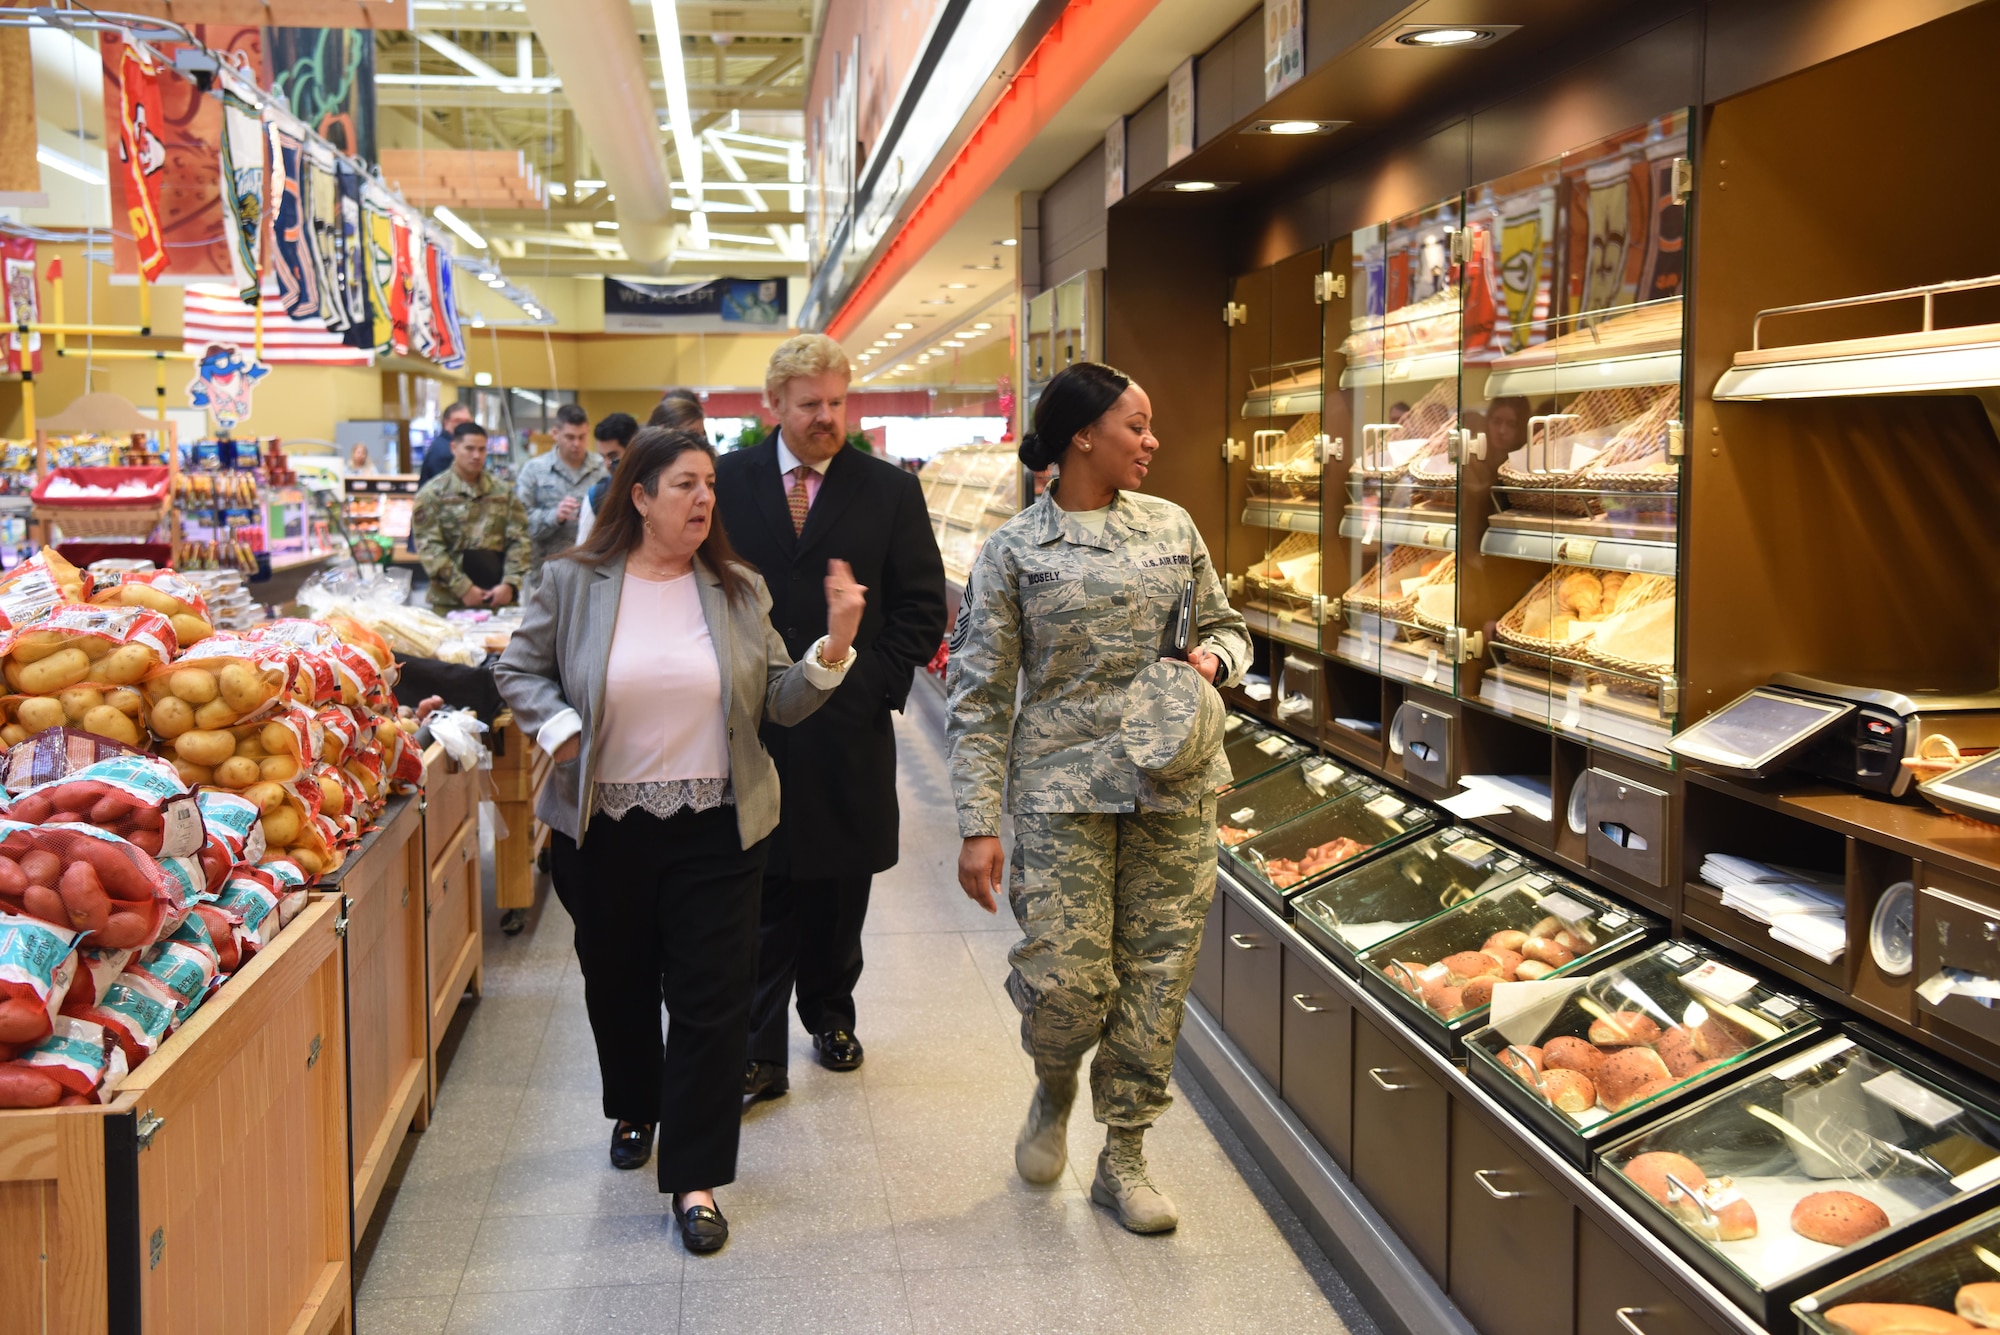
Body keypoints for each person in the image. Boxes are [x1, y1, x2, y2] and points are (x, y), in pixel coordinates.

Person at [494, 427, 867, 1255]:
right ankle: (635, 1102)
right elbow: (518, 669)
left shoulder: (737, 588)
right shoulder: (573, 581)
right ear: (639, 495)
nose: (703, 499)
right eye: (684, 485)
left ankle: (696, 1178)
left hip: (717, 827)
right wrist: (559, 729)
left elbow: (779, 699)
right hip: (604, 826)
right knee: (618, 982)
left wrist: (835, 646)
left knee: (712, 998)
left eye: (708, 485)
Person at [945, 361, 1250, 1235]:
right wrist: (977, 823)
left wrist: (1214, 662)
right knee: (1070, 980)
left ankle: (1124, 1156)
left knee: (1157, 976)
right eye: (1136, 425)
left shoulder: (1171, 526)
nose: (1152, 441)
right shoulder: (1013, 553)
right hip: (1061, 789)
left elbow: (1228, 628)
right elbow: (980, 694)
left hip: (1174, 785)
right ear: (1082, 435)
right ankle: (1052, 1082)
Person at [714, 334, 946, 1100]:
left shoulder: (887, 490)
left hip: (848, 727)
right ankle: (757, 1047)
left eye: (837, 401)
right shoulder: (726, 482)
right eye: (810, 403)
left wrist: (866, 682)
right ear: (772, 404)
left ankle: (831, 1013)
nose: (826, 417)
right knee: (760, 892)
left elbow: (918, 608)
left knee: (841, 889)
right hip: (755, 727)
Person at [411, 420, 530, 617]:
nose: (476, 455)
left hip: (499, 600)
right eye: (469, 448)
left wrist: (510, 582)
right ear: (454, 447)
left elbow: (520, 540)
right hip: (451, 603)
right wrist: (463, 587)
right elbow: (430, 547)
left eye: (482, 449)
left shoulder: (503, 492)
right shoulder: (432, 495)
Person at [515, 403, 609, 589]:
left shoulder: (602, 469)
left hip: (593, 574)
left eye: (582, 437)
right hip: (547, 574)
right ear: (555, 433)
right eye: (570, 437)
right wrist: (554, 516)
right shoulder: (534, 470)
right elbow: (519, 524)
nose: (576, 444)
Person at [575, 411, 638, 547]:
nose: (608, 464)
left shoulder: (658, 487)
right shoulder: (597, 496)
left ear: (633, 449)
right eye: (603, 457)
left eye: (613, 456)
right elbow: (583, 549)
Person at [417, 400, 474, 485]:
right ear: (446, 423)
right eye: (458, 421)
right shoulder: (444, 451)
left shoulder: (454, 445)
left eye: (467, 421)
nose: (464, 425)